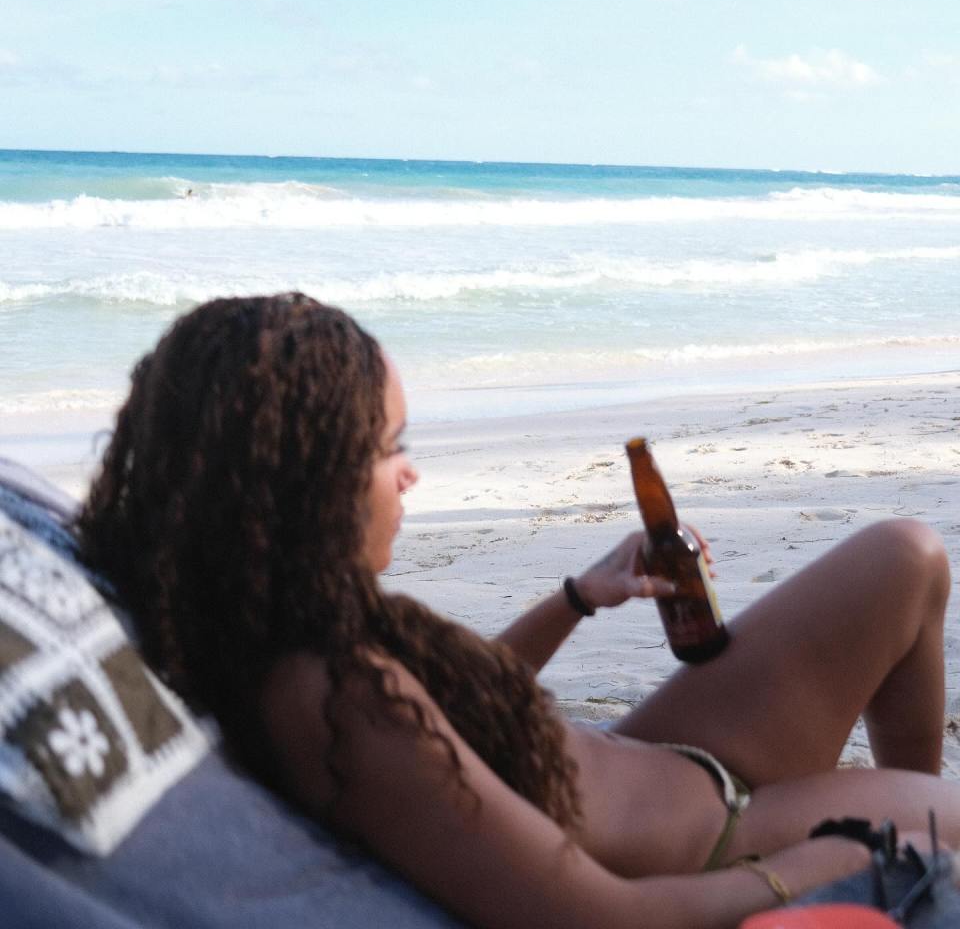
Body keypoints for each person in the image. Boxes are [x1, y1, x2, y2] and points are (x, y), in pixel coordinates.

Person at [76, 294, 956, 929]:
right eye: (390, 450)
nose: (410, 474)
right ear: (306, 482)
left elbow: (460, 714)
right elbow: (600, 914)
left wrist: (578, 597)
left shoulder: (295, 628)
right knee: (944, 824)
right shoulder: (336, 702)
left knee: (903, 558)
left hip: (668, 750)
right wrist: (822, 864)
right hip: (725, 842)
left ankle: (913, 818)